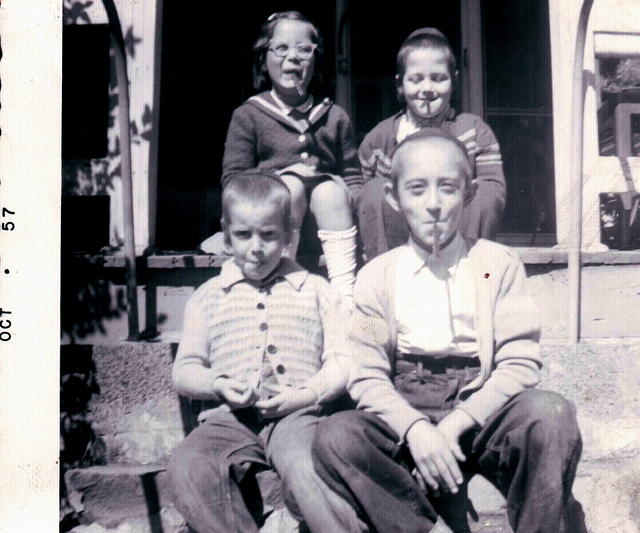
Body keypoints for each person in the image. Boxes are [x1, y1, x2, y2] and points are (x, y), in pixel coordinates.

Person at [312, 130, 586, 533]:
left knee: (551, 414)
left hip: (482, 406)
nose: (434, 205)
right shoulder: (375, 277)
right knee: (335, 436)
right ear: (393, 197)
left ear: (470, 192)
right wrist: (416, 429)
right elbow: (366, 373)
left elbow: (519, 363)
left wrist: (456, 423)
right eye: (417, 190)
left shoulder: (495, 264)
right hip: (407, 402)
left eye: (448, 189)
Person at [169, 172, 361, 533]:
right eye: (243, 235)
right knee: (188, 465)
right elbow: (185, 370)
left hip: (297, 416)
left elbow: (343, 361)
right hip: (228, 419)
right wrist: (218, 384)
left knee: (309, 468)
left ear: (289, 233)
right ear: (226, 234)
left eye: (269, 235)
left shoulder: (317, 290)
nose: (256, 247)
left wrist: (305, 395)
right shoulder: (208, 296)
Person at [205, 11, 360, 300]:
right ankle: (280, 283)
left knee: (330, 192)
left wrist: (347, 193)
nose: (294, 57)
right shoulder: (248, 115)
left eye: (304, 49)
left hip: (328, 227)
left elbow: (353, 176)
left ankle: (345, 296)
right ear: (264, 59)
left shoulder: (334, 116)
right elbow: (234, 182)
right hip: (271, 228)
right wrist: (281, 178)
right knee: (290, 188)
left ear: (317, 60)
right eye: (282, 48)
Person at [357, 27, 506, 262]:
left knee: (485, 192)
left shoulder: (474, 131)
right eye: (415, 80)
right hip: (401, 236)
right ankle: (386, 273)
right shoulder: (380, 138)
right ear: (400, 85)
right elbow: (361, 194)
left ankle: (469, 267)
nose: (427, 89)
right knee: (374, 190)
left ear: (454, 81)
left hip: (457, 227)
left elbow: (493, 190)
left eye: (438, 78)